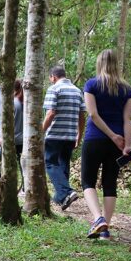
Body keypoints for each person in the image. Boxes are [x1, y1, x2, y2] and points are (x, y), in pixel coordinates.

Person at [81, 49, 131, 240]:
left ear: (99, 63)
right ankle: (105, 230)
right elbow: (128, 118)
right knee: (109, 182)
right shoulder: (127, 89)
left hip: (94, 138)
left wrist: (111, 135)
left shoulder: (91, 84)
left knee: (87, 181)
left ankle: (98, 219)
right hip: (117, 142)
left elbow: (93, 115)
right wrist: (126, 144)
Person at [42, 66, 86, 210]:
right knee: (63, 164)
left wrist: (40, 131)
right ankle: (61, 197)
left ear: (53, 77)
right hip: (70, 135)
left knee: (50, 162)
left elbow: (50, 113)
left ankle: (67, 191)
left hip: (54, 134)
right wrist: (79, 135)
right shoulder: (77, 91)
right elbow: (81, 116)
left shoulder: (54, 89)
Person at [0, 79, 25, 192]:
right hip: (23, 139)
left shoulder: (13, 104)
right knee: (23, 165)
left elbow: (6, 123)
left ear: (14, 90)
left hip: (12, 139)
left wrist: (1, 137)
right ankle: (26, 187)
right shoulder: (26, 104)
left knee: (4, 162)